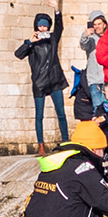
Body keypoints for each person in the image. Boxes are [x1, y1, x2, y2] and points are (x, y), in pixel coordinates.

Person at [16, 13, 69, 148]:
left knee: (61, 113)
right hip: (40, 83)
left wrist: (57, 11)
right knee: (39, 115)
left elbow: (59, 27)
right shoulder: (32, 43)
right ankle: (41, 144)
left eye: (45, 26)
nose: (43, 29)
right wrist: (29, 43)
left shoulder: (52, 39)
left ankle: (66, 141)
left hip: (55, 80)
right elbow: (18, 54)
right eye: (40, 26)